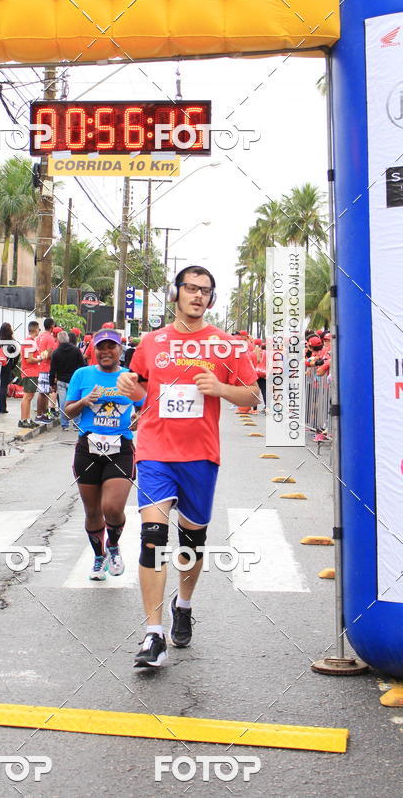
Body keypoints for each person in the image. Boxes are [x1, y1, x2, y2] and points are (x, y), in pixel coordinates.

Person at [117, 265, 260, 668]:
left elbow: (252, 395)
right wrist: (131, 388)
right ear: (176, 293)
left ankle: (185, 603)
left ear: (211, 299)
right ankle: (152, 634)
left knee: (192, 543)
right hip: (155, 450)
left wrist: (221, 388)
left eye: (205, 290)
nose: (197, 295)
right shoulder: (152, 341)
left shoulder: (225, 345)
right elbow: (145, 389)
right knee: (152, 536)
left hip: (200, 454)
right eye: (191, 288)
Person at [64, 329, 144, 580]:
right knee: (92, 512)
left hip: (120, 449)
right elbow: (67, 413)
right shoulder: (82, 375)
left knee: (112, 507)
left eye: (111, 347)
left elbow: (145, 409)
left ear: (120, 350)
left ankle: (114, 546)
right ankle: (99, 557)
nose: (105, 351)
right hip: (87, 449)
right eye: (101, 347)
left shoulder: (130, 378)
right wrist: (84, 401)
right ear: (94, 350)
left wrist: (137, 419)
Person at [49, 330, 86, 430]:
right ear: (68, 339)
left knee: (63, 403)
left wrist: (51, 383)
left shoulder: (56, 352)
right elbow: (83, 365)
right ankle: (76, 423)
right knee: (75, 401)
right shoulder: (76, 350)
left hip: (61, 381)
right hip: (74, 380)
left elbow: (52, 370)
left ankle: (64, 424)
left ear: (59, 341)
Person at [0, 322, 19, 414]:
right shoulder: (13, 342)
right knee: (3, 386)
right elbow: (17, 355)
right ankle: (2, 408)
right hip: (6, 366)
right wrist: (12, 366)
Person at [34, 317, 58, 424]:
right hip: (46, 368)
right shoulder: (49, 338)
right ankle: (40, 415)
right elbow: (49, 354)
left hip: (41, 367)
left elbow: (41, 353)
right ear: (52, 326)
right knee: (43, 393)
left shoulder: (40, 337)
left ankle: (42, 415)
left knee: (44, 392)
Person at [19, 320, 41, 429]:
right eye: (39, 330)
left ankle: (27, 419)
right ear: (36, 330)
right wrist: (40, 358)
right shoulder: (29, 342)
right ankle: (23, 419)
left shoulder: (30, 341)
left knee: (30, 396)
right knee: (27, 396)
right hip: (29, 372)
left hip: (31, 372)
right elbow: (29, 359)